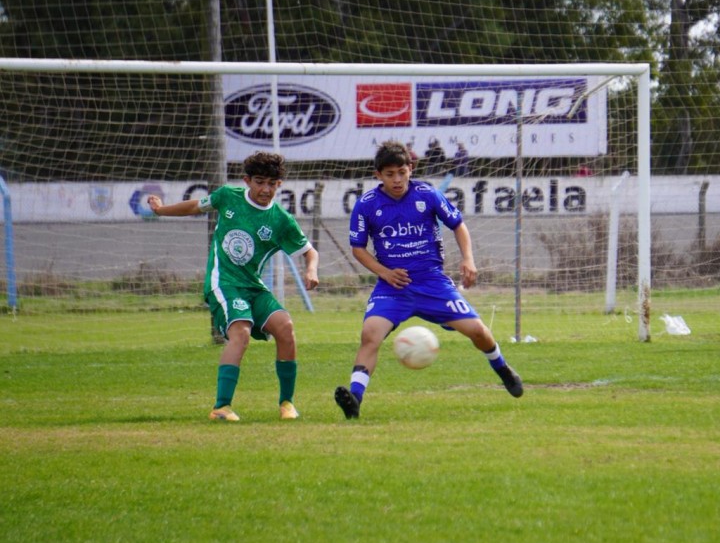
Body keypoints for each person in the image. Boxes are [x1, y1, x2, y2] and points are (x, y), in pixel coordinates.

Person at [334, 140, 523, 419]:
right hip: (393, 287)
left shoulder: (428, 194)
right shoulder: (366, 205)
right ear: (378, 175)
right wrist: (384, 272)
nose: (397, 180)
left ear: (410, 169)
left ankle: (502, 368)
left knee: (478, 331)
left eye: (402, 172)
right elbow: (358, 248)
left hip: (432, 283)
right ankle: (354, 399)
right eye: (390, 174)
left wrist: (468, 259)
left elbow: (458, 225)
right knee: (370, 334)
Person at [148, 151, 320, 421]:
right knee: (241, 332)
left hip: (252, 286)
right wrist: (161, 210)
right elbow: (194, 207)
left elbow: (310, 252)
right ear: (247, 180)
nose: (265, 189)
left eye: (271, 184)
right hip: (223, 282)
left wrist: (311, 269)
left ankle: (287, 404)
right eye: (259, 182)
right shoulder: (228, 196)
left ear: (279, 185)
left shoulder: (281, 220)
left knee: (285, 327)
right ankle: (221, 407)